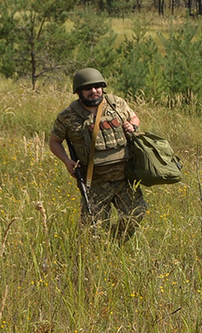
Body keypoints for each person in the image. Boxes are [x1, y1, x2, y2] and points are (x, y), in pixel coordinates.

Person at [48, 68, 147, 241]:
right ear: (79, 92)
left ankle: (116, 244)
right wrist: (66, 161)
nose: (94, 91)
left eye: (97, 87)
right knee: (94, 229)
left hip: (125, 178)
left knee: (136, 214)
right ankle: (99, 252)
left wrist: (133, 126)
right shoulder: (68, 116)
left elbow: (134, 117)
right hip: (94, 182)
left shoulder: (117, 104)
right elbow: (54, 141)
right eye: (88, 88)